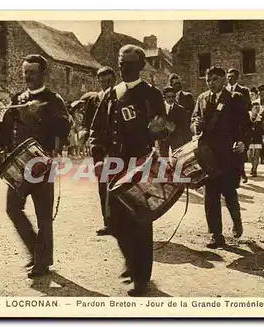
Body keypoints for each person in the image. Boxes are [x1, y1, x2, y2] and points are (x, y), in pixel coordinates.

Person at [90, 44, 170, 296]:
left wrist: (160, 129)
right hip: (115, 165)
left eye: (130, 65)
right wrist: (99, 157)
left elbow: (164, 129)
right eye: (121, 64)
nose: (124, 69)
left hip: (141, 164)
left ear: (141, 66)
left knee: (141, 221)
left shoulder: (151, 95)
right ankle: (132, 262)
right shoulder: (111, 94)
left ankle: (141, 278)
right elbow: (98, 129)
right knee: (117, 221)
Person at [0, 54, 71, 278]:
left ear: (43, 74)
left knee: (43, 216)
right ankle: (38, 252)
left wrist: (43, 114)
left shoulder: (53, 99)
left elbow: (65, 127)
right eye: (25, 72)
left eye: (32, 72)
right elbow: (5, 126)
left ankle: (41, 262)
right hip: (19, 164)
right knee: (12, 208)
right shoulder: (18, 97)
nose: (28, 77)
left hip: (42, 164)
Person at [192, 65, 249, 249]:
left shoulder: (234, 98)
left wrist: (242, 142)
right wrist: (196, 126)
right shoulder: (201, 98)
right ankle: (216, 235)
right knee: (210, 195)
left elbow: (246, 124)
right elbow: (193, 121)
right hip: (209, 156)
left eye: (215, 79)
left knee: (229, 192)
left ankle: (237, 222)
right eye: (208, 80)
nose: (211, 83)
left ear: (224, 80)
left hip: (229, 154)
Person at [81, 66, 117, 236]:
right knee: (103, 186)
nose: (105, 85)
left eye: (108, 81)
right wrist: (84, 134)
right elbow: (87, 123)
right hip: (99, 150)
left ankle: (122, 222)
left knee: (119, 185)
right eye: (102, 82)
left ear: (114, 81)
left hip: (117, 149)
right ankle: (108, 222)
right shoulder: (94, 100)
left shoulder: (120, 98)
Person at [227, 68, 252, 183]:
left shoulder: (243, 90)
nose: (230, 78)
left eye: (232, 76)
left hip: (239, 124)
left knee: (240, 150)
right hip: (227, 124)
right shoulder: (224, 90)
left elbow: (248, 106)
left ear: (237, 78)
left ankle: (241, 173)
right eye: (228, 76)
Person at [161, 85, 189, 155]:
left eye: (173, 96)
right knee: (163, 162)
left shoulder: (180, 109)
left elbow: (184, 127)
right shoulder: (159, 108)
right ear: (164, 97)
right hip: (162, 141)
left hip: (176, 140)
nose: (171, 99)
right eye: (168, 97)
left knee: (177, 160)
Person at [168, 73, 194, 142]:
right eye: (175, 84)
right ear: (171, 85)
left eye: (179, 83)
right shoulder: (168, 99)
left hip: (186, 132)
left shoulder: (188, 96)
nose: (178, 85)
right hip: (174, 135)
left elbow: (193, 113)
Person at [248, 100, 264, 177]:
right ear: (252, 108)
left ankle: (255, 169)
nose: (257, 110)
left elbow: (262, 129)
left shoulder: (260, 118)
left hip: (258, 137)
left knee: (257, 154)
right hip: (249, 137)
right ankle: (252, 165)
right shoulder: (247, 116)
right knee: (250, 155)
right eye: (255, 108)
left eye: (258, 108)